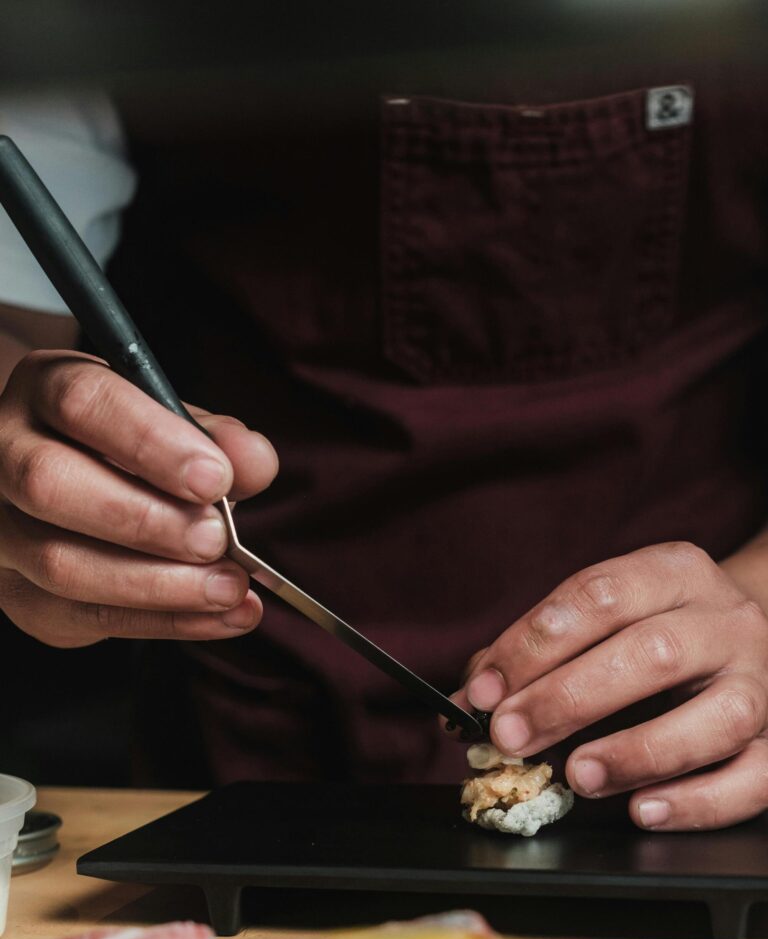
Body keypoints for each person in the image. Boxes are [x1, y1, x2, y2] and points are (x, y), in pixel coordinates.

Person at [1, 57, 767, 832]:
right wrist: (33, 461)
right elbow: (14, 315)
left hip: (694, 780)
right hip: (245, 765)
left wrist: (761, 605)